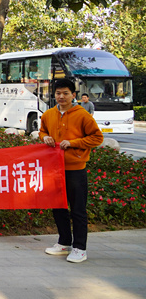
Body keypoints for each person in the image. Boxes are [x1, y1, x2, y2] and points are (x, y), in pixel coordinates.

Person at [40, 78, 104, 263]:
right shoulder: (48, 114)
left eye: (65, 93)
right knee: (58, 207)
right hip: (55, 169)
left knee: (77, 209)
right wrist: (45, 138)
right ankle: (64, 242)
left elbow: (97, 137)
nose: (61, 97)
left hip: (76, 169)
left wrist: (74, 143)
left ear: (73, 95)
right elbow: (43, 131)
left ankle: (79, 248)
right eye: (58, 93)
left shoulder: (82, 115)